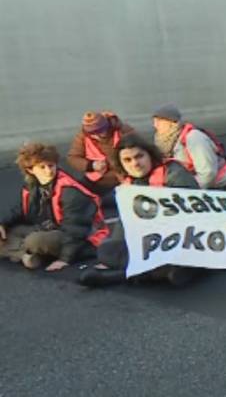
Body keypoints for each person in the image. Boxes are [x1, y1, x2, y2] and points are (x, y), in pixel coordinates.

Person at [78, 134, 200, 288]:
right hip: (150, 241)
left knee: (173, 255)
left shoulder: (174, 173)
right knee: (107, 250)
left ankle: (122, 276)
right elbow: (125, 219)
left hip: (183, 237)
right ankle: (163, 271)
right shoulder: (129, 185)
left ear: (150, 155)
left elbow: (195, 214)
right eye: (127, 160)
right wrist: (114, 248)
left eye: (139, 156)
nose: (135, 163)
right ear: (121, 164)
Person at [1, 143, 109, 271]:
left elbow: (76, 230)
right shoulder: (33, 186)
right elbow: (20, 210)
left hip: (83, 239)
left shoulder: (69, 191)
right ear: (30, 170)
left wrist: (64, 260)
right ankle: (26, 256)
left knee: (34, 241)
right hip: (47, 228)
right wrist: (2, 224)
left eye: (51, 165)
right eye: (42, 167)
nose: (48, 171)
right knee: (6, 233)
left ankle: (22, 251)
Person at [151, 104, 226, 189]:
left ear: (173, 122)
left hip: (217, 187)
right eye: (154, 121)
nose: (155, 125)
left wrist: (194, 193)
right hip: (190, 184)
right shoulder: (165, 141)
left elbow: (208, 173)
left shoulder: (194, 138)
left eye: (159, 121)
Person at [66, 110, 137, 194]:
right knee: (75, 193)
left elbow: (139, 150)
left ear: (107, 125)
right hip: (96, 181)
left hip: (125, 177)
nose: (97, 135)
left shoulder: (124, 131)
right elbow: (73, 158)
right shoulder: (83, 136)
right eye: (92, 133)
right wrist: (91, 165)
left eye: (100, 131)